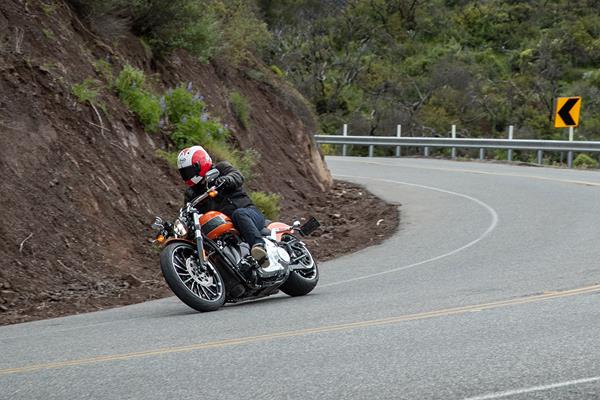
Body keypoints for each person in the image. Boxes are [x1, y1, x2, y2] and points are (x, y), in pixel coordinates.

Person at [176, 145, 269, 268]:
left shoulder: (221, 169)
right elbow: (187, 211)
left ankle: (259, 248)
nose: (187, 175)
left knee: (239, 214)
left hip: (248, 213)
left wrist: (226, 180)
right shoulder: (191, 193)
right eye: (184, 173)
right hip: (223, 227)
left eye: (189, 171)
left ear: (200, 164)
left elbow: (237, 176)